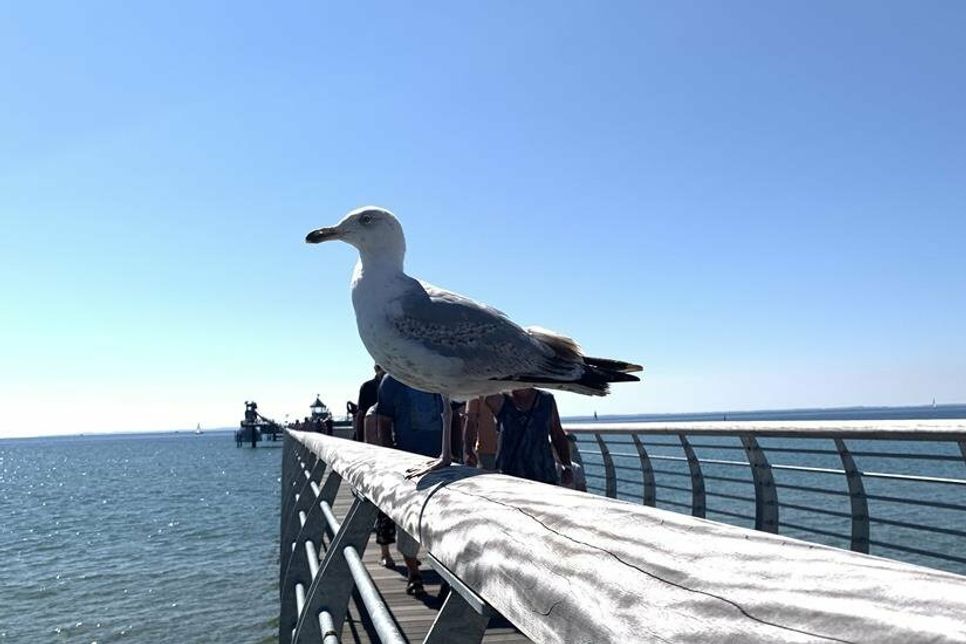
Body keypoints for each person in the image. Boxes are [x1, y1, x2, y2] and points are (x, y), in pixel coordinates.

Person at [375, 374, 444, 596]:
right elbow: (384, 422)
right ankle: (414, 573)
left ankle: (446, 576)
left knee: (442, 523)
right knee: (407, 521)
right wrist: (389, 457)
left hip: (441, 463)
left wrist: (457, 451)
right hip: (407, 464)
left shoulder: (437, 372)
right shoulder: (391, 380)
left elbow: (455, 414)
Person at [481, 388, 574, 486]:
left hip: (543, 474)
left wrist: (567, 466)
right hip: (510, 475)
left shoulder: (546, 400)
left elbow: (557, 434)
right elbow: (485, 388)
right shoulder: (500, 400)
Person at [463, 397, 499, 470]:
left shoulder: (477, 389)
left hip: (508, 449)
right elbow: (470, 421)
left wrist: (468, 451)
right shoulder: (476, 390)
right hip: (486, 451)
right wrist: (468, 450)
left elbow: (470, 421)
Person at [353, 365, 385, 441]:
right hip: (372, 432)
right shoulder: (367, 387)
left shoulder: (395, 386)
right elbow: (360, 415)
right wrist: (359, 440)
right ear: (376, 369)